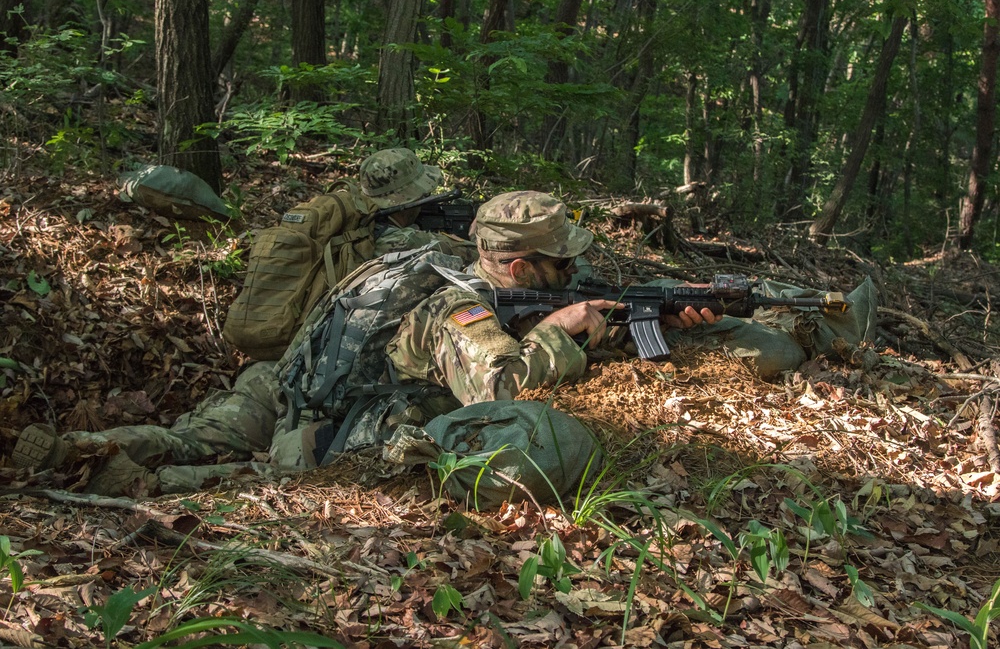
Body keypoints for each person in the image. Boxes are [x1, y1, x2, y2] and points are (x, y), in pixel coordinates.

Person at [13, 190, 708, 501]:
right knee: (240, 480)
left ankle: (90, 445)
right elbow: (500, 389)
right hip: (330, 432)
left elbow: (547, 319)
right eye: (561, 265)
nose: (573, 274)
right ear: (520, 267)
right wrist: (560, 334)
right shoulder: (458, 307)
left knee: (190, 432)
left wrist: (631, 320)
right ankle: (133, 480)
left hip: (287, 383)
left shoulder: (441, 270)